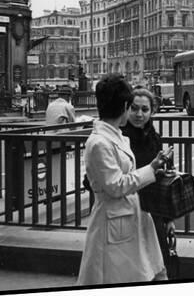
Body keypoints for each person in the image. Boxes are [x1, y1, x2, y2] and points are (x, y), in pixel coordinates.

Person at [77, 74, 168, 285]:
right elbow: (116, 186)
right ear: (125, 106)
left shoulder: (115, 135)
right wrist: (151, 169)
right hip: (113, 221)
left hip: (126, 217)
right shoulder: (100, 143)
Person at [122, 87, 175, 278]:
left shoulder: (154, 138)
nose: (139, 114)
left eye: (144, 110)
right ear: (126, 109)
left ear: (152, 111)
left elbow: (162, 182)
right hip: (127, 211)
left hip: (152, 213)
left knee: (158, 266)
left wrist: (169, 219)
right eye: (134, 108)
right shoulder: (120, 139)